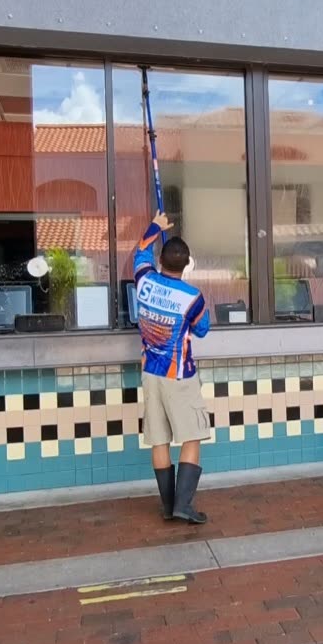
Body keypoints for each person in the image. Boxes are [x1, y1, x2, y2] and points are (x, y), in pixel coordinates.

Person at [133, 212, 211, 524]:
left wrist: (156, 226)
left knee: (159, 439)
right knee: (192, 436)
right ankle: (183, 505)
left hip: (150, 373)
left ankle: (168, 506)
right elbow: (202, 329)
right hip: (179, 375)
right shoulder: (192, 297)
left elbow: (139, 251)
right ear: (187, 264)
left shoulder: (144, 281)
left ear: (160, 259)